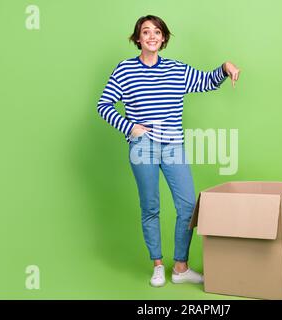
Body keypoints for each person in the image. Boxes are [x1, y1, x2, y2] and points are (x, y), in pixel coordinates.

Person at [96, 15, 240, 287]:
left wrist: (224, 68)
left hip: (173, 145)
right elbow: (104, 105)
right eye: (145, 32)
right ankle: (158, 265)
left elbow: (206, 81)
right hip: (143, 147)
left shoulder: (176, 69)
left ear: (163, 38)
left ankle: (181, 267)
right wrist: (130, 127)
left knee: (187, 206)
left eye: (157, 31)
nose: (151, 36)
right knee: (150, 206)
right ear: (138, 38)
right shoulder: (125, 70)